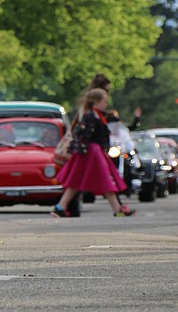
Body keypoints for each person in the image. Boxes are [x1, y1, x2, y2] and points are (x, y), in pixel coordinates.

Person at [51, 87, 135, 217]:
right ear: (96, 101)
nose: (106, 104)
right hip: (91, 152)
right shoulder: (90, 115)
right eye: (104, 101)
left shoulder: (96, 115)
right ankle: (117, 209)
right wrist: (77, 150)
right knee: (105, 179)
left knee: (77, 181)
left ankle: (60, 207)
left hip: (92, 151)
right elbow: (81, 135)